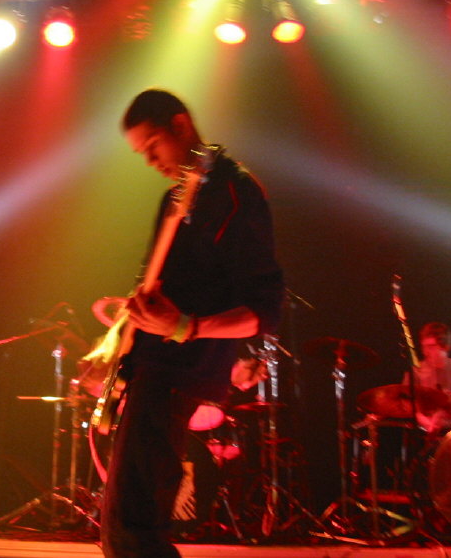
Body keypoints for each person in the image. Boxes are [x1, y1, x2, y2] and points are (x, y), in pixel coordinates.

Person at [99, 89, 284, 557]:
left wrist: (186, 327)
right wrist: (120, 336)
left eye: (153, 145)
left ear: (181, 125)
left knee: (132, 530)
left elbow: (264, 311)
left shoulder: (236, 192)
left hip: (180, 372)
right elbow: (156, 289)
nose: (150, 161)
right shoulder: (175, 198)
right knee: (126, 527)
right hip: (150, 368)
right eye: (141, 153)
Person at [402, 322, 451, 434]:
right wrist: (426, 423)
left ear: (445, 347)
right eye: (424, 346)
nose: (425, 352)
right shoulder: (416, 372)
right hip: (425, 432)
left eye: (431, 347)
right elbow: (408, 405)